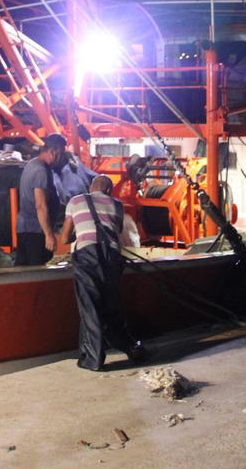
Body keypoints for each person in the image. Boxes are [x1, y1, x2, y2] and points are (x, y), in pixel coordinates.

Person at [59, 175, 147, 370]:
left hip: (87, 255)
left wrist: (80, 231)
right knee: (110, 304)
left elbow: (65, 238)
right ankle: (129, 346)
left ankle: (93, 359)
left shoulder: (75, 201)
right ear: (108, 190)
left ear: (91, 187)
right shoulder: (117, 205)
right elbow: (117, 230)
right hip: (113, 257)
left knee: (90, 305)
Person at [15, 134, 66, 266]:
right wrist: (49, 235)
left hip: (25, 228)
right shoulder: (40, 171)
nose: (62, 159)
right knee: (37, 272)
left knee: (24, 271)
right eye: (62, 153)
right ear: (54, 152)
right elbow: (41, 205)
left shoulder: (32, 164)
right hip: (36, 232)